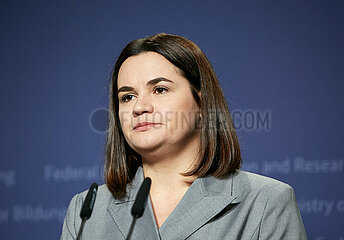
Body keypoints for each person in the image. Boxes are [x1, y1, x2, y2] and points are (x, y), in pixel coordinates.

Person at [60, 33, 307, 240]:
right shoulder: (85, 211)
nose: (139, 107)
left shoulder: (266, 201)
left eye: (159, 89)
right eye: (127, 96)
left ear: (201, 101)